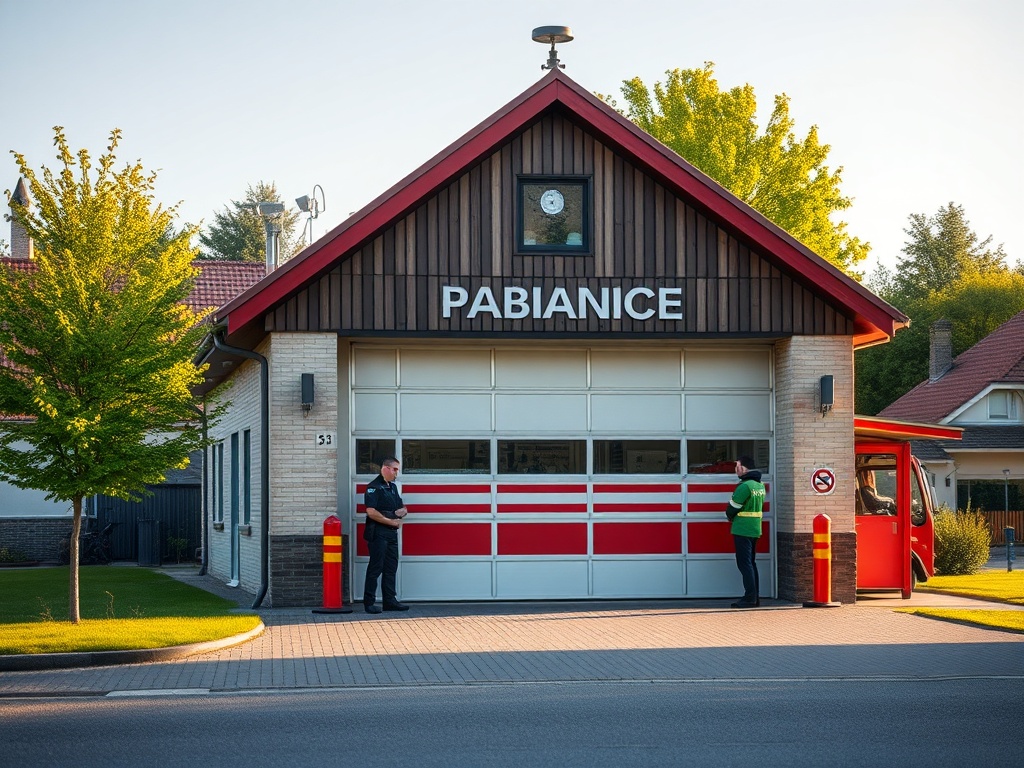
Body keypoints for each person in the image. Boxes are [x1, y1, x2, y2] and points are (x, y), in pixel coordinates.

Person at [362, 457, 410, 614]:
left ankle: (390, 601)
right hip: (378, 533)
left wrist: (401, 511)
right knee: (376, 568)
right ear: (385, 469)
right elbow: (371, 512)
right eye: (394, 469)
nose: (397, 472)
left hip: (391, 534)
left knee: (391, 568)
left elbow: (402, 507)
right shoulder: (374, 487)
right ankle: (369, 602)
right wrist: (391, 520)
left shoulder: (393, 488)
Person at [726, 455, 765, 609]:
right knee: (751, 563)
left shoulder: (744, 486)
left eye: (737, 466)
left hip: (742, 528)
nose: (735, 469)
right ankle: (755, 597)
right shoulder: (759, 486)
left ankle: (749, 597)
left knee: (744, 564)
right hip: (755, 529)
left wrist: (729, 515)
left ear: (743, 468)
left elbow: (732, 508)